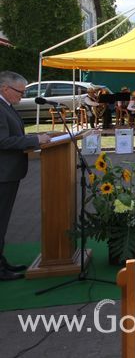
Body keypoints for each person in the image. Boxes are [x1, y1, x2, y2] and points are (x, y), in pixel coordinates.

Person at [0, 71, 50, 281]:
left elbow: (14, 136)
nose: (22, 96)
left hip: (9, 173)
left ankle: (2, 262)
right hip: (3, 173)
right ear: (4, 88)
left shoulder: (7, 107)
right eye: (19, 92)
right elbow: (3, 141)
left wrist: (32, 138)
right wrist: (34, 140)